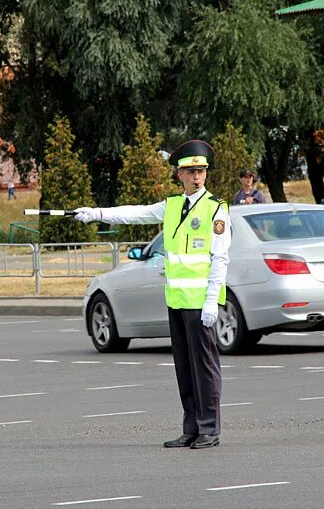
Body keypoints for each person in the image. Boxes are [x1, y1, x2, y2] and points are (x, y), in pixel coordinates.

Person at [75, 139, 230, 450]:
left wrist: (212, 300)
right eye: (191, 171)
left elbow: (220, 258)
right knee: (184, 368)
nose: (197, 177)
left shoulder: (216, 210)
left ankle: (209, 429)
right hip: (176, 300)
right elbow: (136, 213)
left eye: (201, 171)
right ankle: (191, 427)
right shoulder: (172, 206)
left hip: (201, 302)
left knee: (204, 367)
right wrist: (97, 213)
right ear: (179, 175)